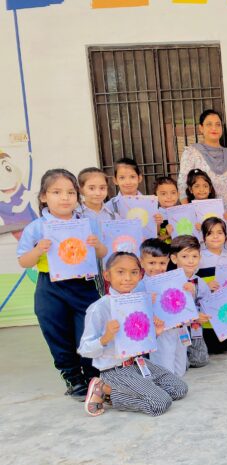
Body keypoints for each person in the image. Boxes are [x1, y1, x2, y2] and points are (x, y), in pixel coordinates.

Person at [17, 169, 107, 399]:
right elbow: (23, 261)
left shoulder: (86, 223)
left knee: (88, 331)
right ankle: (73, 378)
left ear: (77, 196)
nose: (65, 197)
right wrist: (38, 250)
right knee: (56, 332)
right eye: (56, 192)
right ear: (44, 197)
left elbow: (103, 252)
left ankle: (92, 375)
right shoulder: (37, 227)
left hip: (83, 285)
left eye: (70, 192)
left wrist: (96, 245)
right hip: (50, 288)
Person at [80, 252, 188, 417]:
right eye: (120, 272)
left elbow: (139, 340)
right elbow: (85, 349)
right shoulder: (99, 308)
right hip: (115, 369)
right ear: (107, 275)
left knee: (180, 389)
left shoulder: (140, 302)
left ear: (140, 275)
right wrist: (105, 338)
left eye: (134, 272)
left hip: (138, 363)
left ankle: (140, 388)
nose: (128, 278)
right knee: (160, 403)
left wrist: (155, 333)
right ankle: (105, 390)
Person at [138, 239, 188, 377]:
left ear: (168, 261)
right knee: (165, 369)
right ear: (142, 262)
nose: (157, 267)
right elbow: (134, 313)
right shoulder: (140, 286)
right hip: (160, 332)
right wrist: (146, 301)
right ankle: (166, 383)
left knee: (180, 369)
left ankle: (175, 382)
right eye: (152, 263)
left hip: (178, 328)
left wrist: (189, 291)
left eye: (162, 263)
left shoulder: (173, 281)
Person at [178, 109, 227, 210]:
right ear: (201, 128)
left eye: (218, 124)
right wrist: (189, 213)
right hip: (204, 215)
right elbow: (182, 185)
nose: (214, 128)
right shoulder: (191, 152)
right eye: (209, 124)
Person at [196, 217, 227, 353]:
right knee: (211, 344)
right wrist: (206, 285)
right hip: (206, 311)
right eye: (210, 233)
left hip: (225, 312)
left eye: (219, 232)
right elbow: (189, 282)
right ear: (203, 237)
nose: (215, 236)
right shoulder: (198, 258)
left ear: (225, 236)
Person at [169, 235, 210, 367]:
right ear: (174, 258)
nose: (191, 261)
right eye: (185, 257)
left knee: (201, 360)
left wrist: (203, 314)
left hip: (195, 328)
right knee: (181, 364)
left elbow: (207, 302)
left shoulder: (199, 281)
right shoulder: (169, 281)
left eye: (194, 256)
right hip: (176, 330)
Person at [78, 167, 114, 296]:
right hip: (84, 272)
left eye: (102, 188)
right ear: (81, 189)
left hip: (108, 268)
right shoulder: (75, 215)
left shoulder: (113, 215)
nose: (98, 193)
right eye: (91, 188)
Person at [154, 176, 180, 244]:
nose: (169, 197)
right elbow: (152, 239)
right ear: (155, 197)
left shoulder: (182, 213)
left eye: (173, 193)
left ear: (178, 194)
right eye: (163, 193)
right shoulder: (155, 215)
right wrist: (167, 234)